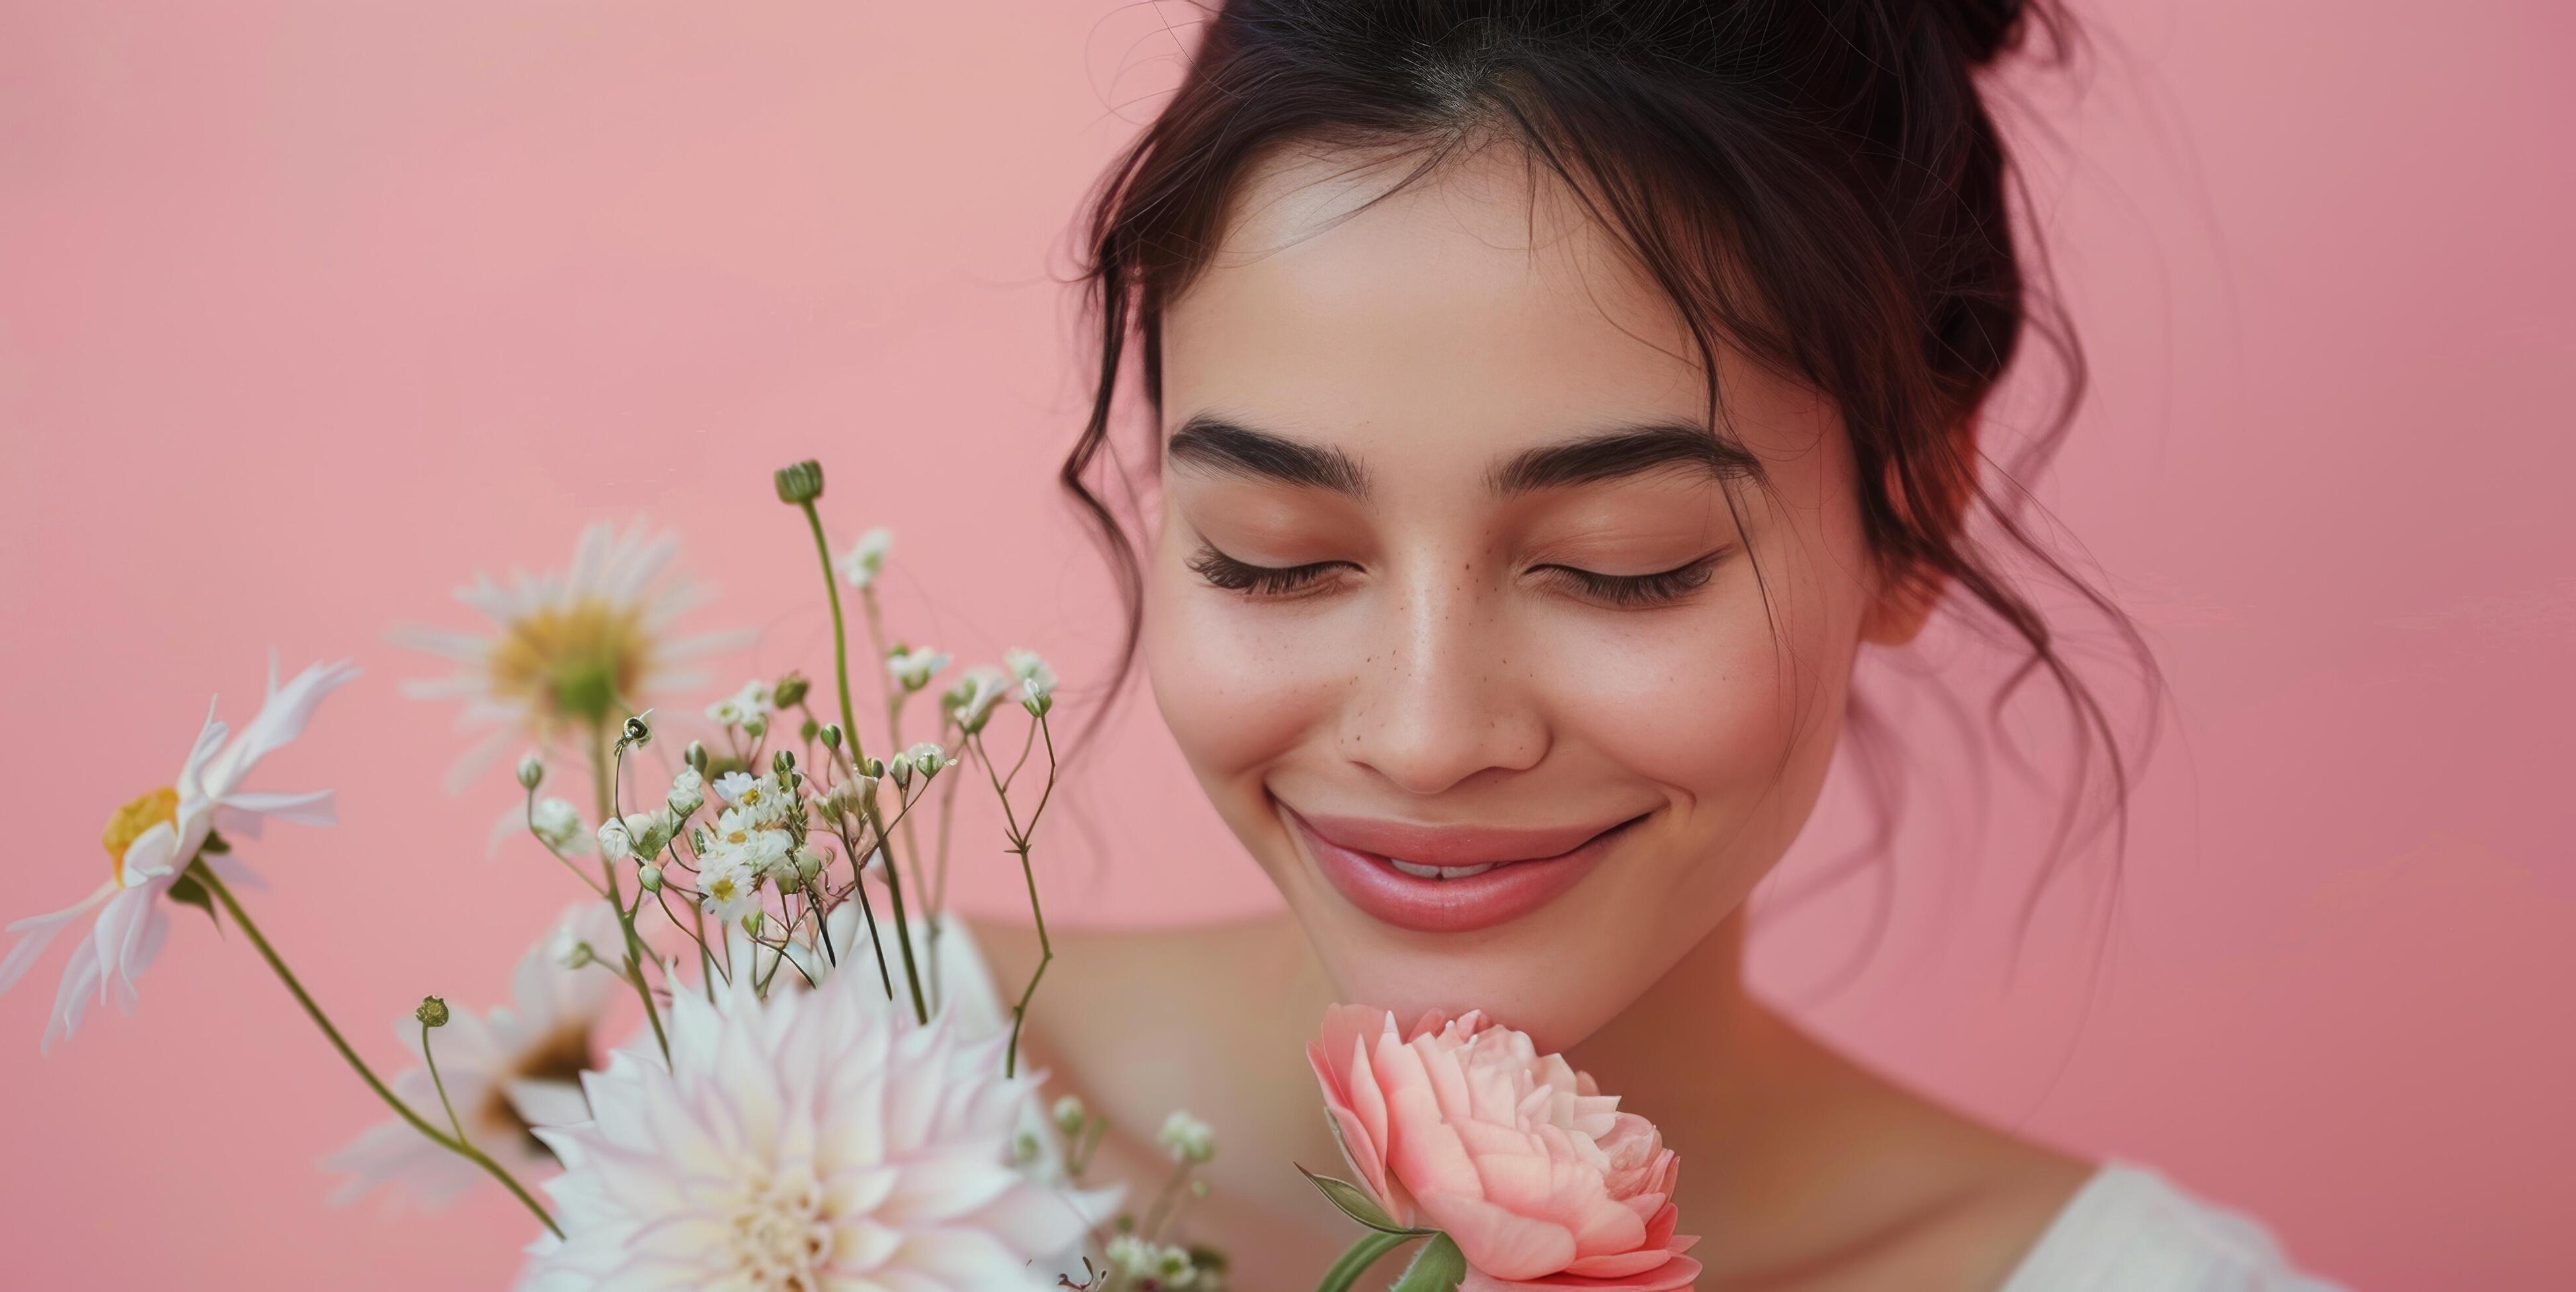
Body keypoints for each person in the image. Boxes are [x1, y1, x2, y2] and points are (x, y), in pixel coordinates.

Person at [978, 2, 2346, 1287]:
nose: (1429, 734)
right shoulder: (808, 1062)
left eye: (1617, 567)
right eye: (1278, 556)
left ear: (1917, 506)